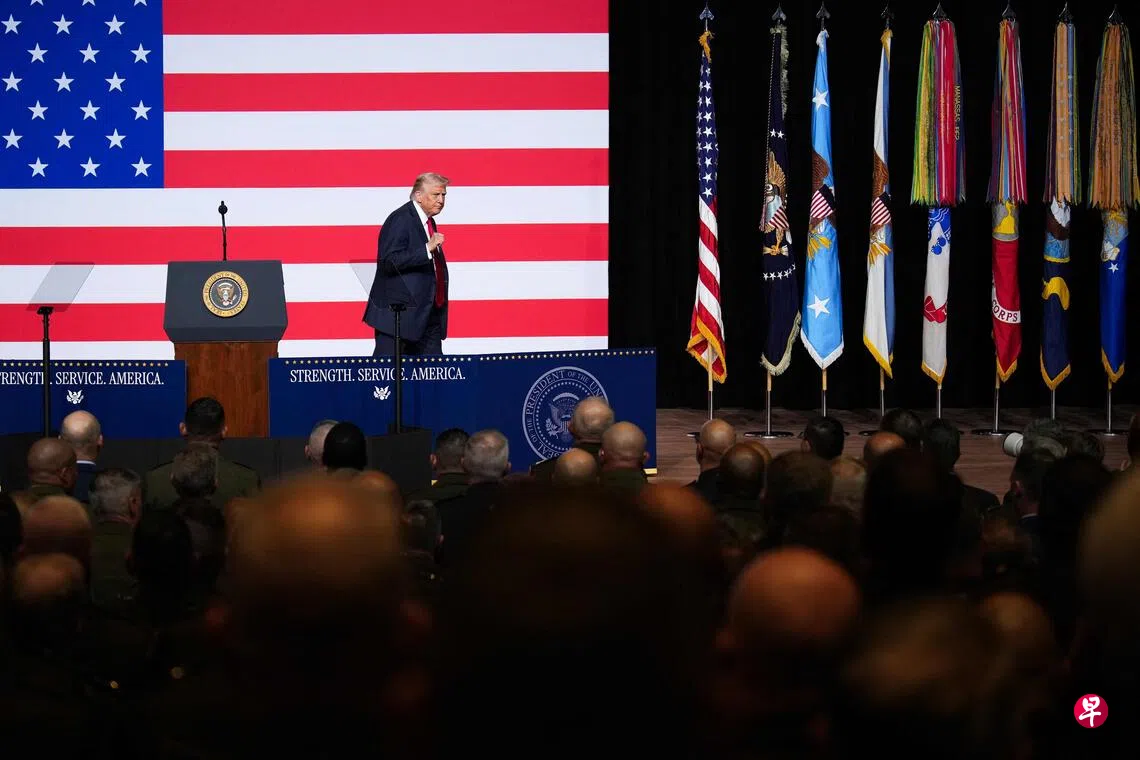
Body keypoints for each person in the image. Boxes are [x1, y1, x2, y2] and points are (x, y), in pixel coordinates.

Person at [364, 172, 451, 356]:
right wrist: (426, 248)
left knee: (435, 372)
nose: (441, 200)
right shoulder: (401, 218)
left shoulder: (429, 222)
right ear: (418, 195)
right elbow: (389, 261)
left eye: (443, 195)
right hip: (398, 320)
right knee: (387, 373)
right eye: (436, 194)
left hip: (427, 316)